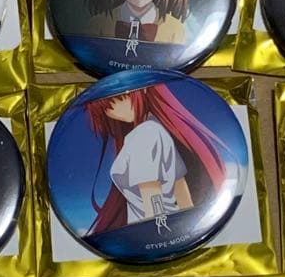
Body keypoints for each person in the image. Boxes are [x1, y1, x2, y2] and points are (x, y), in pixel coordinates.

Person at [83, 83, 228, 235]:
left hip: (153, 228)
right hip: (170, 226)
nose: (116, 109)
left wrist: (154, 234)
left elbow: (151, 192)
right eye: (107, 108)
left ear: (144, 89)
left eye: (122, 97)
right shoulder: (156, 128)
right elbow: (180, 187)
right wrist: (189, 229)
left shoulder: (143, 134)